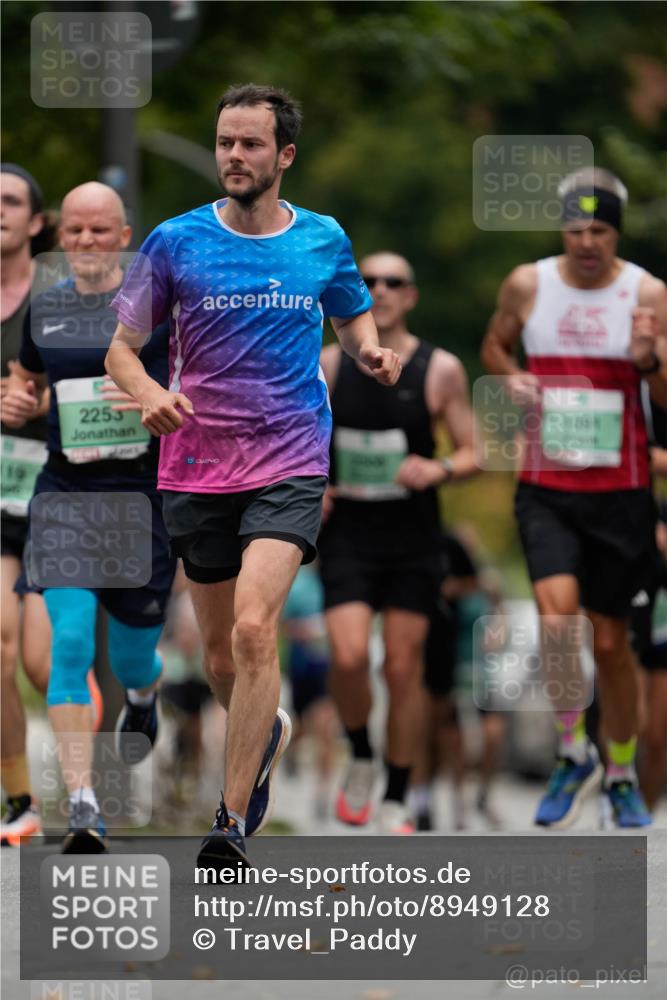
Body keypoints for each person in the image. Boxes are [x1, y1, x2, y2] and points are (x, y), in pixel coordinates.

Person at [104, 83, 400, 871]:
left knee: (253, 629)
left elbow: (350, 310)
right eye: (225, 142)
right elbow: (121, 350)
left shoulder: (322, 238)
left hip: (290, 459)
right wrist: (150, 394)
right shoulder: (175, 241)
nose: (234, 156)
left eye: (251, 144)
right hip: (196, 464)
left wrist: (368, 349)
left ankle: (230, 820)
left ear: (284, 155)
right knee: (221, 661)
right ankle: (262, 729)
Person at [480, 167, 667, 828]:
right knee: (558, 621)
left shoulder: (646, 293)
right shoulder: (529, 284)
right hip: (547, 488)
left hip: (620, 493)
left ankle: (619, 772)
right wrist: (511, 377)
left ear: (616, 233)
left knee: (611, 644)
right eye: (576, 229)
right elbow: (494, 345)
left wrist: (647, 361)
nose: (587, 242)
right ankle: (571, 750)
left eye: (600, 231)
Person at [2, 181, 176, 853]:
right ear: (61, 237)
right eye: (74, 230)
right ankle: (82, 803)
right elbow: (30, 381)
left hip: (140, 503)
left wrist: (159, 396)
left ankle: (144, 694)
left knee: (132, 656)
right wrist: (23, 401)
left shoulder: (158, 310)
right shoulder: (45, 310)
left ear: (124, 236)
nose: (85, 241)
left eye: (100, 230)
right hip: (65, 499)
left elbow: (197, 383)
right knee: (70, 644)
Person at [318, 251, 478, 834]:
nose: (380, 289)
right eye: (368, 281)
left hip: (413, 538)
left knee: (403, 668)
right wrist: (314, 483)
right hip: (348, 536)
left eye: (393, 282)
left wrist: (440, 468)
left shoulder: (439, 368)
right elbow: (295, 434)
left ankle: (397, 793)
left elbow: (474, 451)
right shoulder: (329, 364)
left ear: (411, 296)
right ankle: (362, 753)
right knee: (350, 657)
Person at [0, 164, 53, 846]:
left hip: (54, 492)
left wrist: (40, 403)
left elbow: (108, 383)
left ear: (36, 222)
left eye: (9, 201)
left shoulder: (62, 296)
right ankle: (20, 799)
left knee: (45, 662)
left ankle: (86, 785)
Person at [412, 527, 506, 832]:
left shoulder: (486, 584)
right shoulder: (441, 586)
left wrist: (497, 634)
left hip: (481, 669)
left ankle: (484, 795)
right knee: (452, 739)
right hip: (451, 664)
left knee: (493, 733)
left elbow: (500, 617)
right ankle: (455, 806)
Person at [281, 563, 339, 822]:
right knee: (302, 727)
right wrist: (303, 630)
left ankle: (322, 794)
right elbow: (281, 623)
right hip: (301, 665)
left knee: (326, 730)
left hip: (327, 670)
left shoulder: (339, 578)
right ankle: (290, 749)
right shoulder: (298, 582)